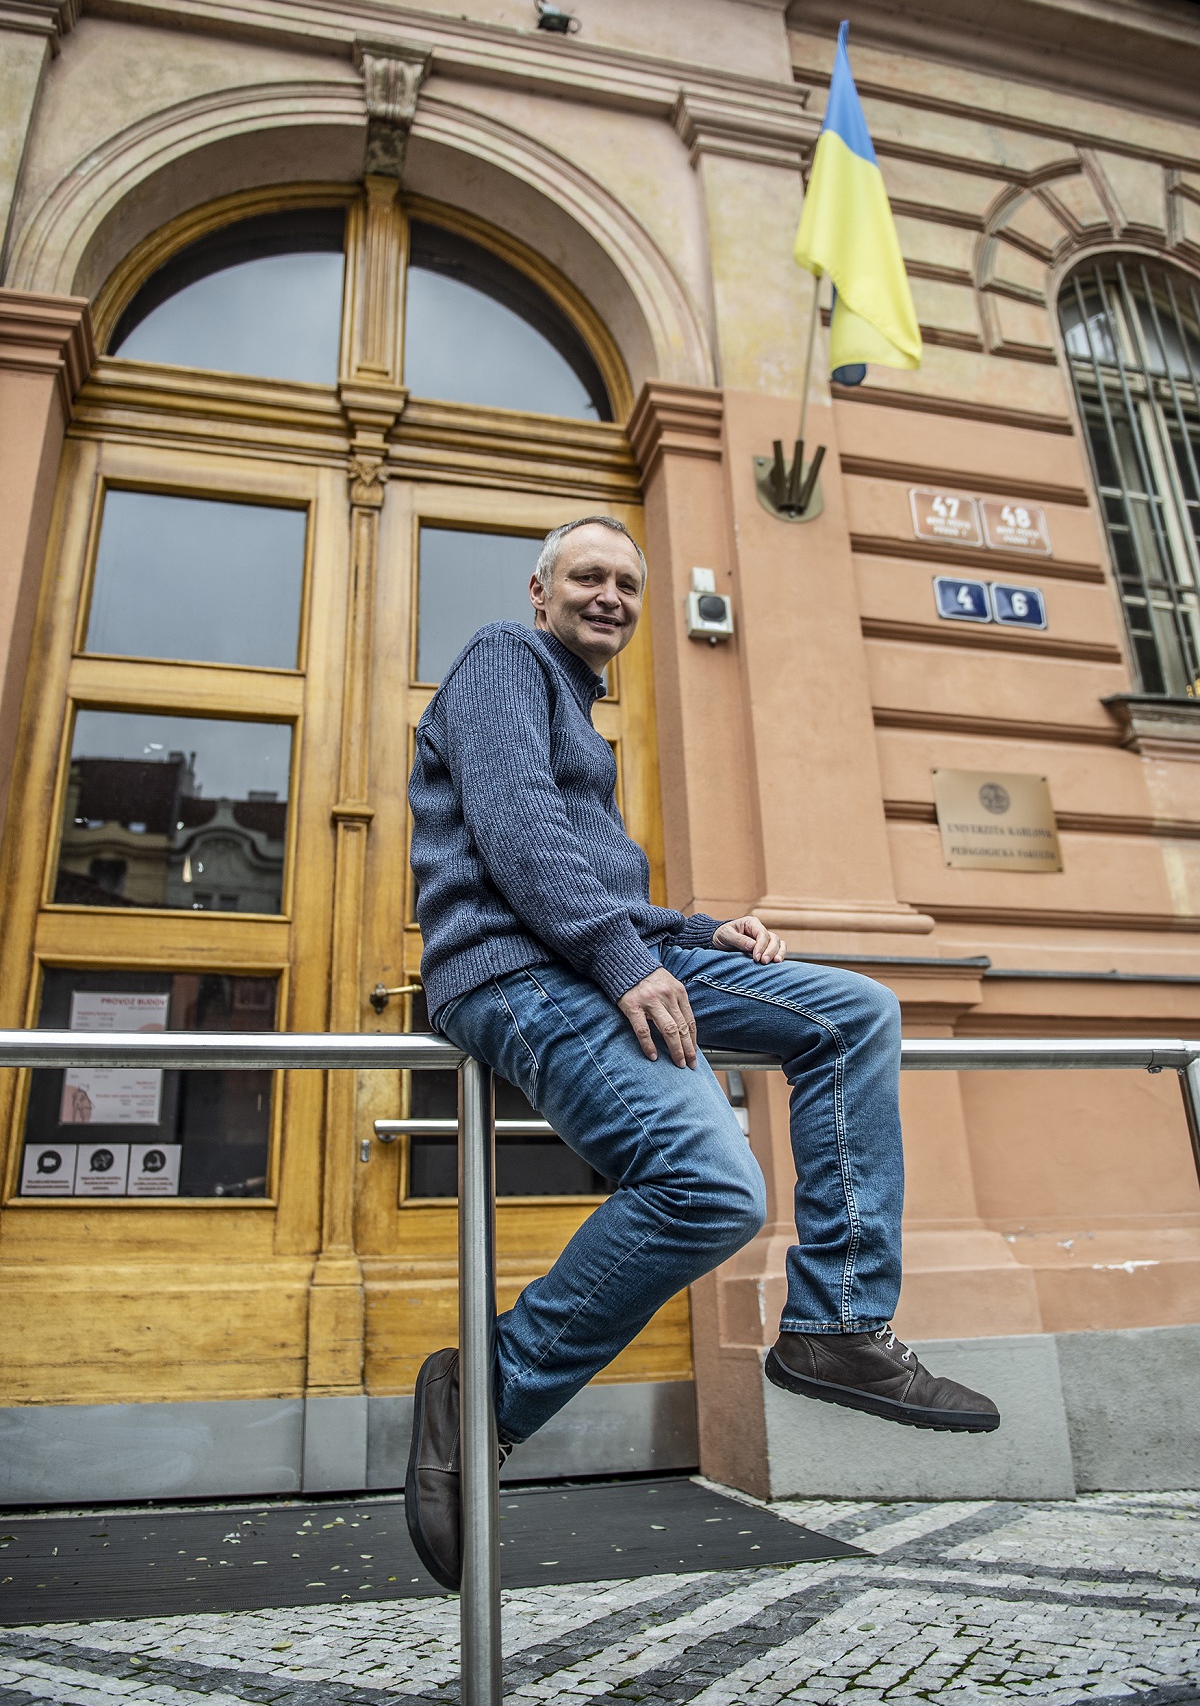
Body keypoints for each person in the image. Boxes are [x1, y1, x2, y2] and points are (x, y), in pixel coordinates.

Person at [405, 513, 998, 1589]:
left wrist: (692, 932)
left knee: (855, 1011)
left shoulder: (577, 706)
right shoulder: (502, 657)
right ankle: (486, 1389)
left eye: (628, 584)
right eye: (588, 577)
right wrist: (623, 957)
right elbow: (515, 832)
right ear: (539, 592)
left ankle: (837, 1321)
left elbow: (588, 874)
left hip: (596, 952)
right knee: (713, 1188)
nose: (611, 597)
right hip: (520, 969)